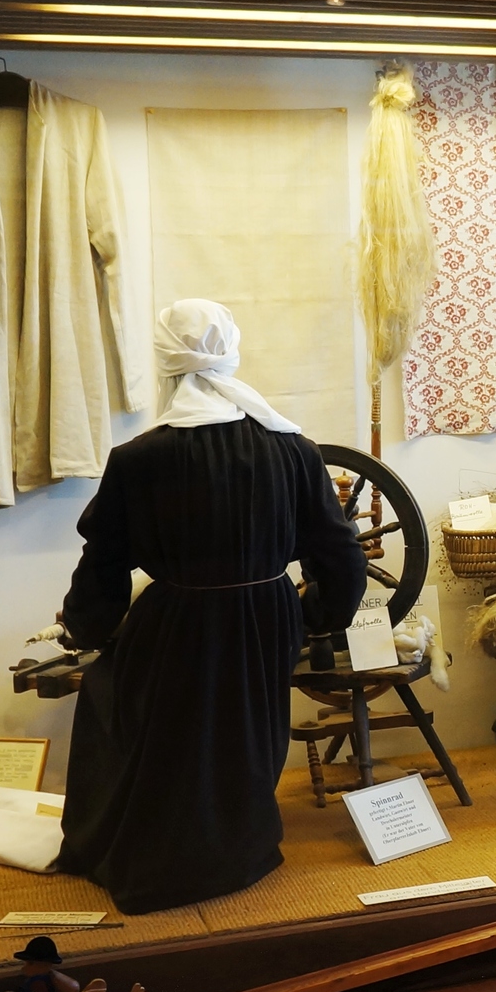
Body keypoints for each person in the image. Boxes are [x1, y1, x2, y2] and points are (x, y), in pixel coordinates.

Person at [54, 299, 367, 913]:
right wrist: (317, 618)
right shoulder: (292, 448)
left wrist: (87, 626)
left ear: (166, 361)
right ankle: (238, 849)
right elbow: (340, 551)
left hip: (178, 620)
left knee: (134, 713)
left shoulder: (139, 458)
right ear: (230, 353)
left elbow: (105, 561)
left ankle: (158, 853)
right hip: (268, 616)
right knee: (247, 731)